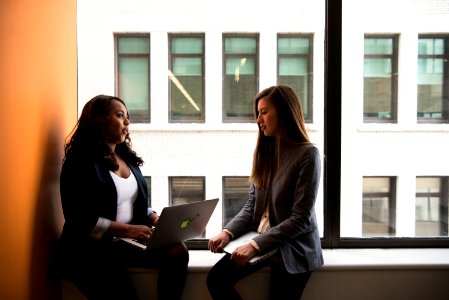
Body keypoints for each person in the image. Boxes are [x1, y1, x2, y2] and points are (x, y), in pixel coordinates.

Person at [55, 95, 189, 300]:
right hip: (89, 251)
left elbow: (134, 203)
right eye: (120, 116)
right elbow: (79, 220)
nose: (127, 122)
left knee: (177, 251)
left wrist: (155, 218)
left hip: (123, 243)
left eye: (127, 116)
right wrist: (128, 229)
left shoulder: (126, 158)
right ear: (100, 121)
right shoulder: (78, 162)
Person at [207, 85, 323, 300]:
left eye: (264, 112)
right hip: (262, 237)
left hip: (293, 246)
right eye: (257, 113)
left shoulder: (308, 154)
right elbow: (252, 205)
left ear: (284, 111)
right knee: (215, 279)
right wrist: (228, 232)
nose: (258, 119)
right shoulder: (266, 152)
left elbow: (300, 219)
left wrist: (254, 246)